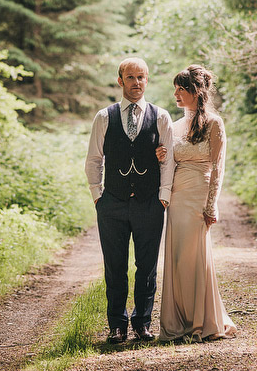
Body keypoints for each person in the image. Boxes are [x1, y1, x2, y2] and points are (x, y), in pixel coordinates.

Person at [85, 57, 175, 343]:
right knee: (115, 265)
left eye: (142, 77)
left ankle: (142, 322)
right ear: (120, 80)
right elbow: (94, 159)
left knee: (147, 265)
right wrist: (98, 195)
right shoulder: (104, 116)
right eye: (131, 77)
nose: (137, 82)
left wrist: (163, 197)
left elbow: (169, 160)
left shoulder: (160, 116)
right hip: (112, 202)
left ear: (147, 80)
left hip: (150, 202)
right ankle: (116, 325)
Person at [156, 64, 237, 342]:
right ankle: (178, 321)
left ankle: (202, 321)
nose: (177, 94)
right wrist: (161, 156)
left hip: (199, 195)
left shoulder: (214, 123)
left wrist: (212, 204)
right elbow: (169, 164)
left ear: (196, 91)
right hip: (178, 197)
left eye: (182, 89)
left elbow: (218, 166)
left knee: (195, 255)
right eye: (175, 89)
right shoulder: (175, 126)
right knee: (177, 257)